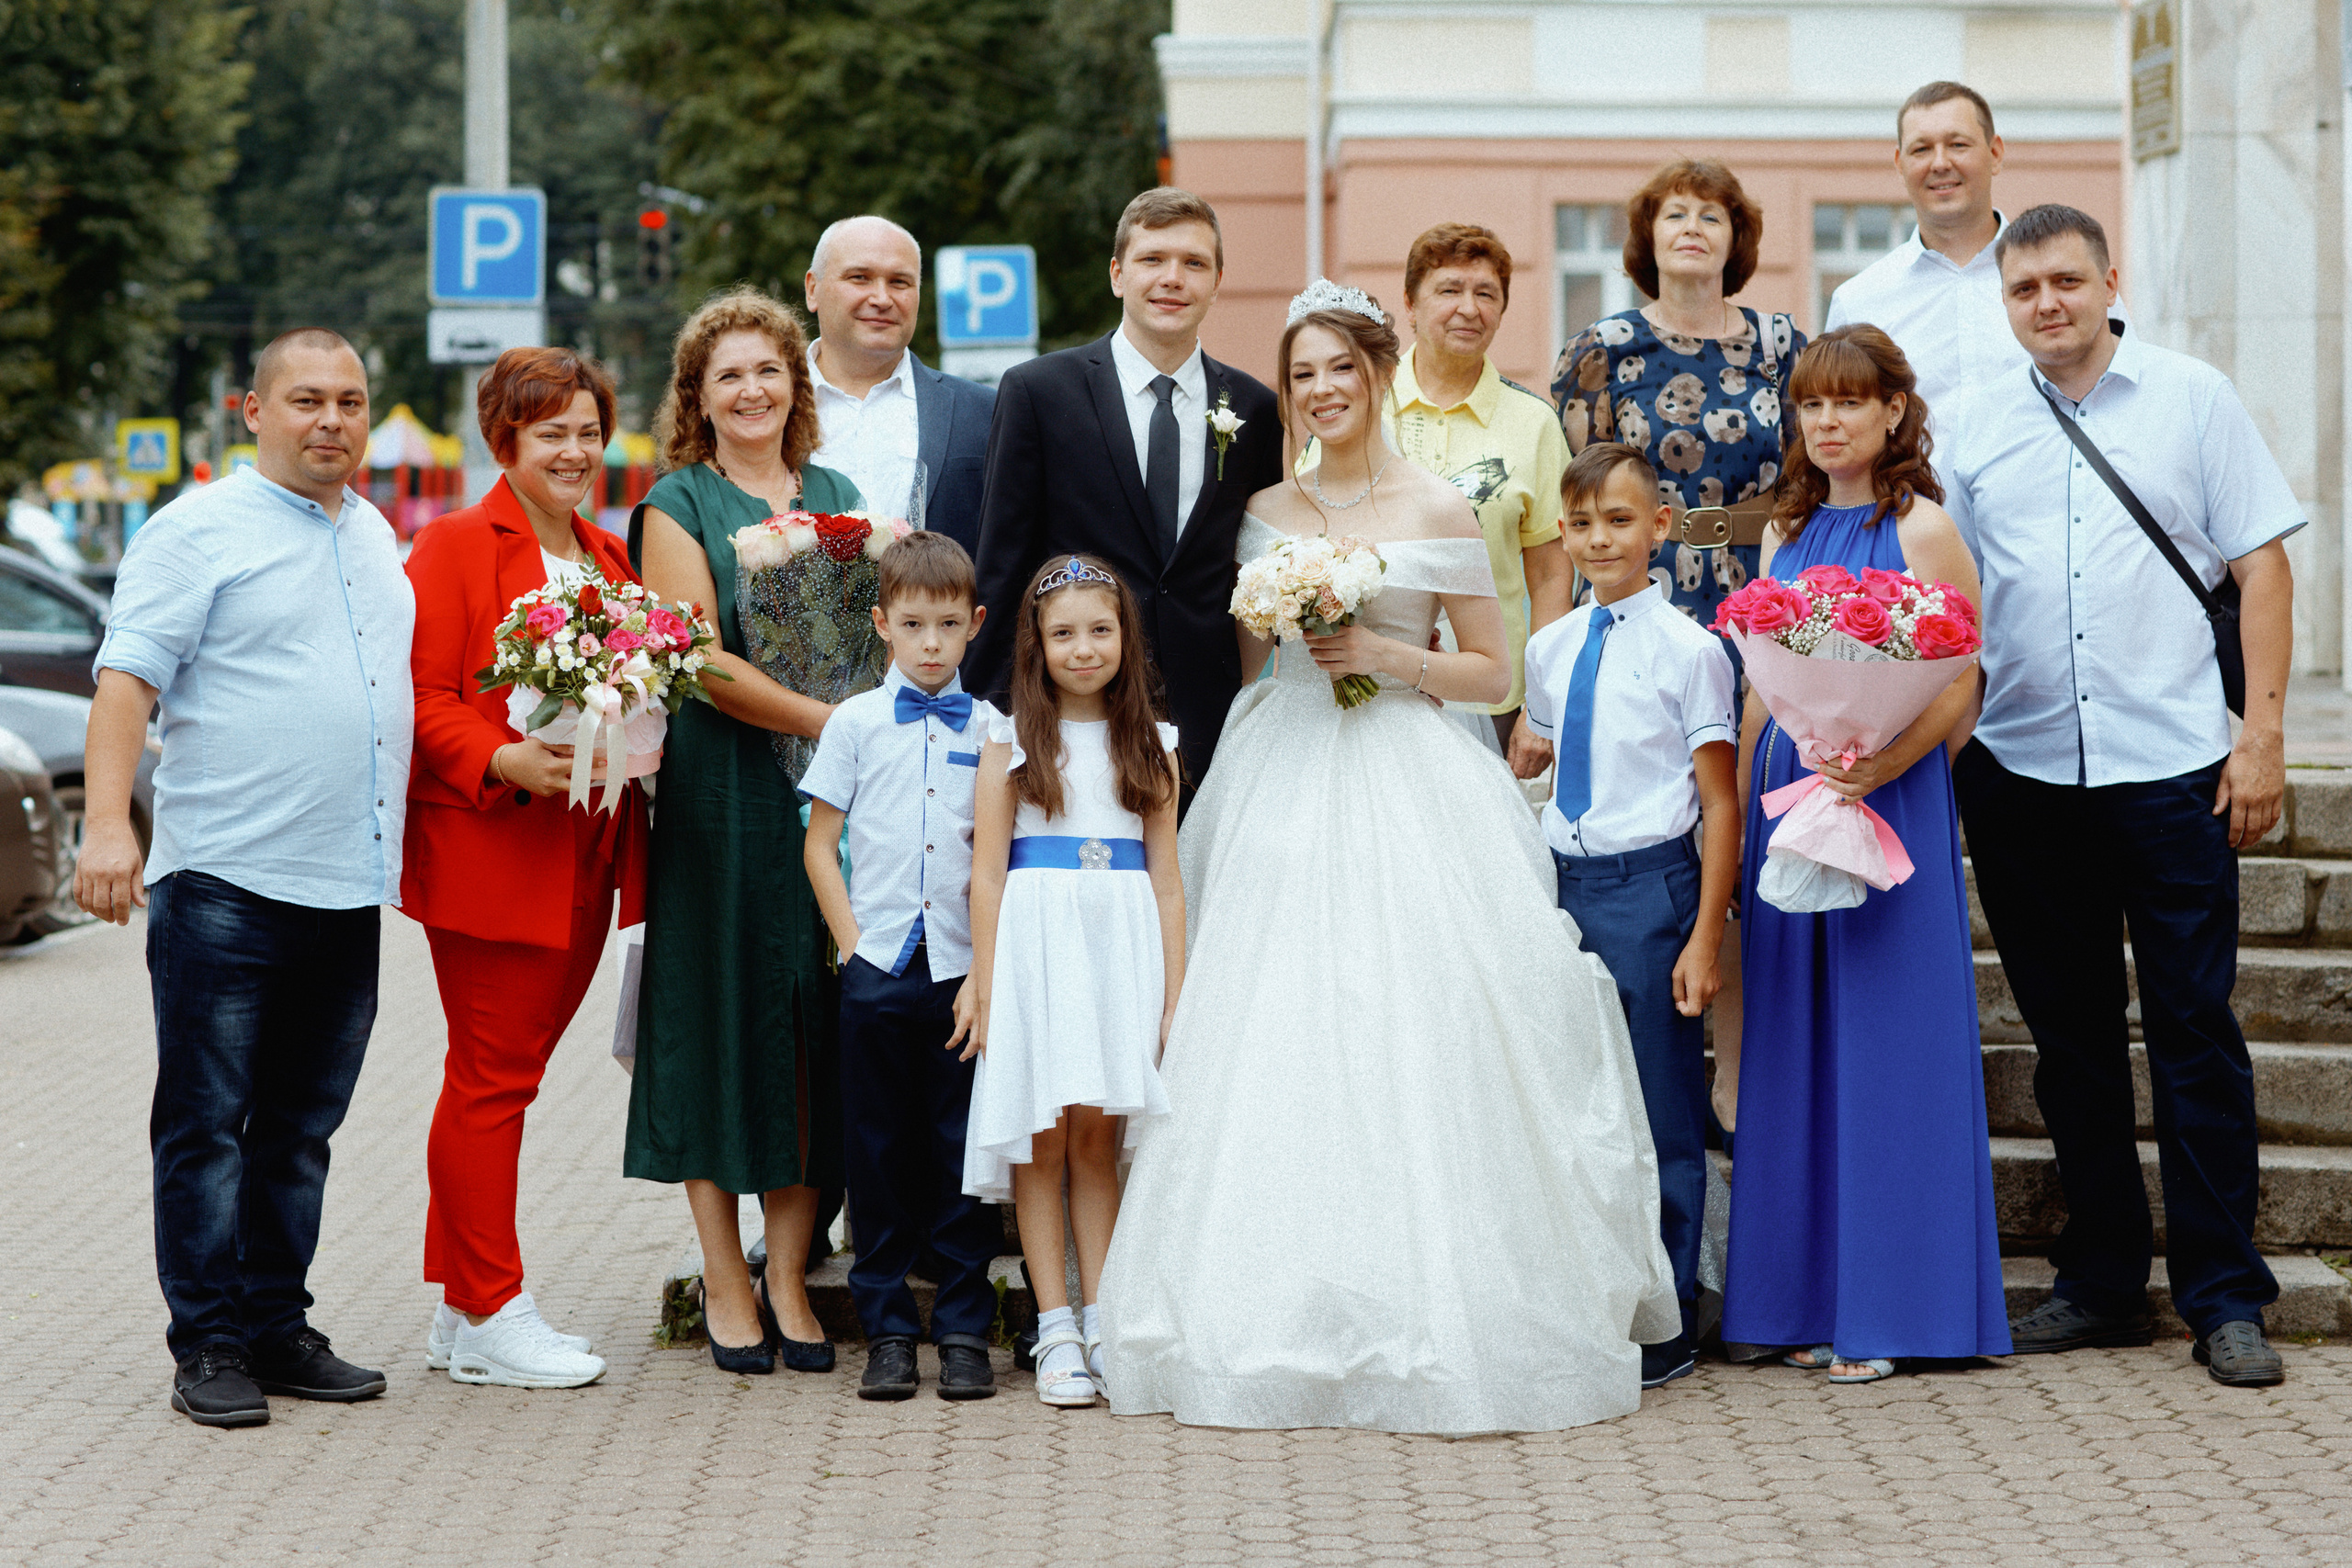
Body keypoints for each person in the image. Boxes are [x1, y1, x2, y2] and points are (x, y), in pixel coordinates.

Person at [1100, 283, 1677, 1436]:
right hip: (1284, 772)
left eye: (1340, 370)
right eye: (1302, 373)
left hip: (1413, 767)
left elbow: (1490, 672)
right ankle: (1277, 1301)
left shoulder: (1439, 507)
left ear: (1375, 372)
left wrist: (1377, 651)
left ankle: (1453, 1306)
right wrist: (1302, 631)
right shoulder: (1261, 505)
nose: (1321, 390)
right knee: (1275, 1031)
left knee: (1426, 1027)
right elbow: (1254, 657)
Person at [1944, 206, 2299, 1388]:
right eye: (2022, 289)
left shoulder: (2192, 396)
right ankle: (2098, 1281)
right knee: (2071, 1043)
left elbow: (2261, 565)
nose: (2045, 303)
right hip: (2023, 766)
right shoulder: (1976, 425)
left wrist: (2261, 738)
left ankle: (2222, 1297)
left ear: (2108, 280)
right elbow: (1938, 586)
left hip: (2174, 769)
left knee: (2196, 1032)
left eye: (2062, 281)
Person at [75, 327, 411, 1427]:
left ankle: (276, 1325)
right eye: (306, 399)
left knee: (300, 1131)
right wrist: (110, 831)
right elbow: (126, 678)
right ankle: (208, 1344)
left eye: (350, 402)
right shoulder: (196, 529)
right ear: (251, 411)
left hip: (344, 883)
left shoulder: (373, 537)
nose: (332, 420)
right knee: (208, 1127)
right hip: (223, 881)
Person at [1724, 323, 2006, 1382]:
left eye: (1848, 401)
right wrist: (1757, 785)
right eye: (1810, 404)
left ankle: (1898, 1312)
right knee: (1795, 1045)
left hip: (1894, 794)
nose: (1827, 421)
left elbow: (1962, 679)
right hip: (1794, 793)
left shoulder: (1923, 529)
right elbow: (1763, 682)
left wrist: (1883, 765)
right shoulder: (1783, 530)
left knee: (1889, 1045)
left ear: (1893, 410)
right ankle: (1801, 1300)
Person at [627, 287, 865, 1376]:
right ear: (699, 397)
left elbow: (875, 629)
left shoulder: (840, 496)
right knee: (719, 1014)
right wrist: (836, 723)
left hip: (827, 801)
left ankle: (788, 1271)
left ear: (794, 385)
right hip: (724, 794)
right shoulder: (677, 503)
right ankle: (723, 1276)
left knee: (816, 1015)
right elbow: (703, 662)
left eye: (768, 370)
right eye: (729, 375)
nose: (753, 389)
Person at [401, 346, 649, 1390]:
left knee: (507, 1079)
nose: (575, 451)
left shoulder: (605, 553)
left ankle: (464, 1314)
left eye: (589, 431)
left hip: (590, 850)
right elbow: (419, 702)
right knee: (491, 1080)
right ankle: (495, 1307)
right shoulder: (455, 546)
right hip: (497, 849)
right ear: (505, 437)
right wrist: (501, 757)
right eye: (552, 432)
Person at [1551, 157, 1802, 1140]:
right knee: (1655, 831)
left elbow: (1807, 478)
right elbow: (1582, 498)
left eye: (1710, 215)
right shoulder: (1601, 349)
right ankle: (1645, 1062)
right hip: (1640, 606)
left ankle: (1734, 1070)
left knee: (1732, 830)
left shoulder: (1782, 343)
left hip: (1756, 609)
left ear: (1736, 238)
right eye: (1673, 215)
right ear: (1646, 239)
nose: (1691, 228)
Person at [1522, 441, 1739, 1392]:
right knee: (1574, 1102)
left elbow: (1721, 804)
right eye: (1580, 523)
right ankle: (1590, 1290)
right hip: (1559, 885)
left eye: (1618, 520)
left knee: (1658, 1109)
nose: (1598, 538)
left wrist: (1703, 936)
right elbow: (1544, 756)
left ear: (1660, 526)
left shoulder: (1692, 651)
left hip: (1652, 892)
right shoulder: (1549, 647)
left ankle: (1669, 1314)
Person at [968, 186, 1284, 800]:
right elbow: (1002, 566)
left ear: (1217, 281)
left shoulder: (1256, 409)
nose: (1173, 279)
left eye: (1194, 264)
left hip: (1210, 719)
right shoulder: (1038, 392)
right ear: (1117, 274)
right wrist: (993, 718)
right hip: (1071, 710)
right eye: (1153, 260)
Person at [964, 554, 1184, 1408]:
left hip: (1118, 940)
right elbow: (985, 874)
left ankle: (1105, 1316)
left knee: (1098, 1135)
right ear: (1036, 644)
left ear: (1126, 637)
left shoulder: (1155, 743)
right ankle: (1053, 1324)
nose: (1084, 648)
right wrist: (984, 980)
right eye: (1064, 634)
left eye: (1101, 630)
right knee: (1042, 1131)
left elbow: (1167, 880)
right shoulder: (1008, 738)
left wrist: (1173, 994)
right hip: (1036, 944)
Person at [798, 531, 1004, 1403]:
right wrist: (851, 947)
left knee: (961, 1151)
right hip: (879, 963)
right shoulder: (852, 722)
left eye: (947, 624)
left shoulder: (994, 729)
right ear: (882, 622)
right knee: (875, 1149)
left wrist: (988, 980)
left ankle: (962, 1326)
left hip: (962, 973)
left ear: (974, 625)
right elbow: (819, 845)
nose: (929, 642)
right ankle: (886, 1326)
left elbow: (997, 857)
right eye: (913, 623)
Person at [1374, 223, 1571, 777]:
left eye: (1486, 294)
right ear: (1410, 303)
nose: (1469, 308)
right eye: (1450, 290)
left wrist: (1541, 704)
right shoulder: (1364, 404)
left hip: (1492, 700)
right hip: (1370, 688)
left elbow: (1553, 578)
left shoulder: (1532, 422)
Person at [1826, 82, 2127, 424]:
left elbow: (2123, 397)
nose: (1940, 163)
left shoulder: (2072, 284)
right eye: (1921, 149)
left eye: (1957, 145)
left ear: (1995, 153)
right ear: (1899, 164)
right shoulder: (1859, 302)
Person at [802, 214, 996, 550]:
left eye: (899, 282)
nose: (881, 298)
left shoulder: (984, 412)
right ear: (812, 289)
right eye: (860, 278)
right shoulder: (760, 409)